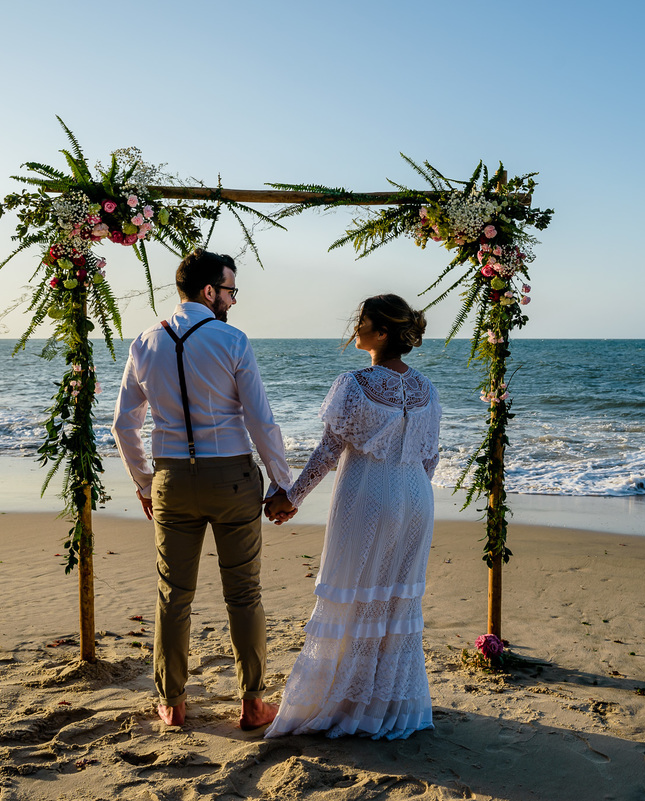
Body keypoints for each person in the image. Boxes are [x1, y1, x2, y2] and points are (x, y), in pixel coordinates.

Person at [111, 249, 293, 730]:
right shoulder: (232, 339)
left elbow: (123, 425)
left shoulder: (146, 341)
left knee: (173, 595)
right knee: (244, 594)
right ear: (210, 291)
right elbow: (259, 419)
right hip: (231, 477)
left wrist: (146, 483)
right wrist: (283, 482)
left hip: (172, 477)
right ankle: (253, 703)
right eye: (231, 291)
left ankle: (172, 703)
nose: (233, 300)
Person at [262, 294, 442, 740]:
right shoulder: (427, 389)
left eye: (361, 320)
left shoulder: (355, 384)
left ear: (381, 332)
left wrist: (292, 496)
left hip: (367, 497)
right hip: (417, 500)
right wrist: (410, 497)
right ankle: (389, 702)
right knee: (396, 599)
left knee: (355, 594)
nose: (354, 326)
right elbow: (430, 458)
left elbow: (327, 452)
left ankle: (344, 701)